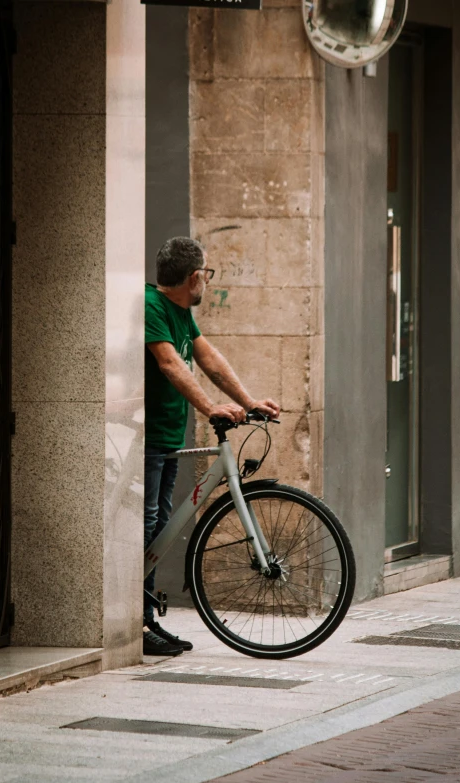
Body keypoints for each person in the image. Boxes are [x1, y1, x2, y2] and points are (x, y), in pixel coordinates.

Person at [143, 237, 280, 656]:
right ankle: (134, 622)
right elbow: (169, 363)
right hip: (144, 438)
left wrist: (247, 402)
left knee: (158, 527)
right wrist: (209, 408)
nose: (207, 281)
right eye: (207, 274)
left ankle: (142, 618)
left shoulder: (182, 313)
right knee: (147, 527)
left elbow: (209, 359)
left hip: (166, 437)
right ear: (195, 277)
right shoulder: (151, 306)